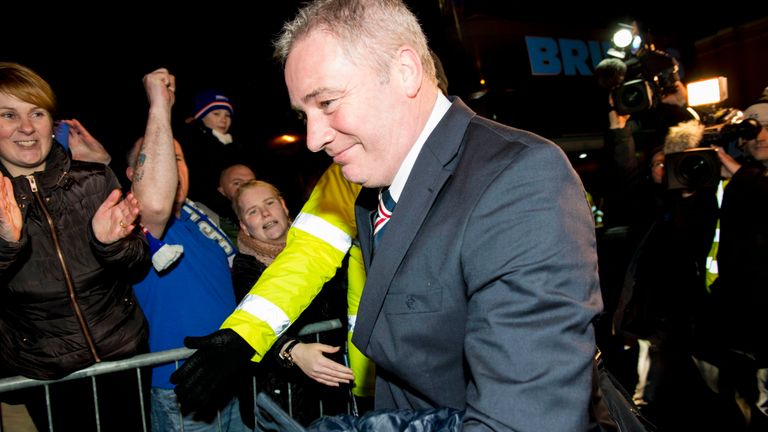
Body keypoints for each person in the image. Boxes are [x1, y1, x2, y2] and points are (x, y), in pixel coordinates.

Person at [175, 1, 602, 430]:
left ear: (405, 72)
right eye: (305, 114)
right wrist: (243, 334)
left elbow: (523, 415)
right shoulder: (360, 176)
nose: (312, 139)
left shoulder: (521, 177)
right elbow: (305, 257)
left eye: (327, 101)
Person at [0, 62, 151, 431]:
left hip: (124, 358)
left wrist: (110, 244)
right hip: (47, 375)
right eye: (8, 114)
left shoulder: (95, 178)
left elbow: (137, 265)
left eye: (37, 113)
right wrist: (7, 245)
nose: (26, 127)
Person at [126, 70, 246, 432]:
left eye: (179, 158)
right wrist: (160, 105)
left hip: (230, 375)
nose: (174, 168)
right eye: (164, 158)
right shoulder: (137, 224)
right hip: (183, 385)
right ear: (135, 173)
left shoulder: (201, 216)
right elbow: (155, 203)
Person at [231, 179, 352, 426]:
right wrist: (292, 350)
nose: (265, 213)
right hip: (279, 394)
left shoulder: (324, 245)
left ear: (284, 207)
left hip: (331, 381)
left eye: (269, 203)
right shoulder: (245, 268)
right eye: (252, 211)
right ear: (244, 226)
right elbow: (252, 323)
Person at [693, 99, 768, 430]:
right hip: (743, 317)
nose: (761, 136)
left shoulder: (747, 179)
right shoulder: (740, 180)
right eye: (753, 130)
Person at [179, 89, 244, 218]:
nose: (223, 120)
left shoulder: (235, 144)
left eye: (227, 115)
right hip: (209, 211)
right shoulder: (194, 143)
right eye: (216, 114)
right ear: (201, 116)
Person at [217, 163, 256, 243]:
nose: (246, 187)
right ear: (222, 191)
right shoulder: (222, 225)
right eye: (237, 183)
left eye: (251, 182)